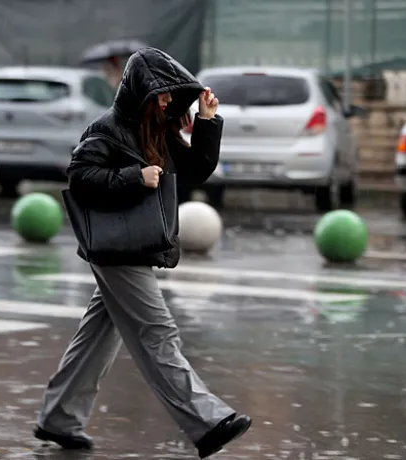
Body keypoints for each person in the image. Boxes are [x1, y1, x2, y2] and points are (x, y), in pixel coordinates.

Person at [33, 47, 252, 459]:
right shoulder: (109, 129)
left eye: (172, 95)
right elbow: (80, 177)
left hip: (133, 242)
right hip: (116, 246)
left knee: (98, 337)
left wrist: (206, 121)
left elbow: (195, 170)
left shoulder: (158, 130)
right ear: (141, 92)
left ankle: (59, 418)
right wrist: (135, 176)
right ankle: (206, 421)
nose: (169, 101)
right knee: (157, 331)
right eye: (162, 94)